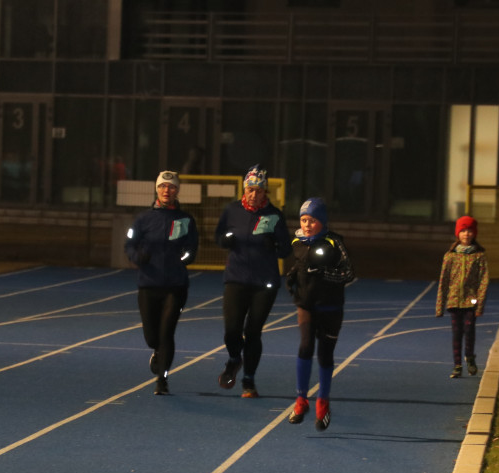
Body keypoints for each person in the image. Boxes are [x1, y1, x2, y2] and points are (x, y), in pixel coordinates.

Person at [215, 164, 292, 397]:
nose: (254, 194)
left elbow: (286, 249)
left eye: (259, 190)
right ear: (244, 189)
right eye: (250, 189)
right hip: (236, 278)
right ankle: (233, 358)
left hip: (264, 283)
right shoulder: (232, 210)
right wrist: (226, 241)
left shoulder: (274, 215)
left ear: (265, 192)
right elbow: (219, 237)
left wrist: (275, 245)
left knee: (253, 331)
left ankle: (249, 381)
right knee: (231, 330)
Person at [124, 170, 199, 395]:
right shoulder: (143, 219)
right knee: (152, 336)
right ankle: (156, 351)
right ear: (157, 189)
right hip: (148, 284)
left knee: (167, 332)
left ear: (177, 191)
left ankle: (162, 379)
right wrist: (138, 258)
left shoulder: (186, 220)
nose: (167, 191)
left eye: (172, 187)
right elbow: (129, 244)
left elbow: (192, 249)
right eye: (163, 187)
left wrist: (183, 258)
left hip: (175, 286)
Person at [285, 197, 355, 431]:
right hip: (306, 306)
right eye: (304, 220)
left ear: (322, 222)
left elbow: (348, 274)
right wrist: (293, 274)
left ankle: (323, 401)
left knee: (325, 356)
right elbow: (302, 262)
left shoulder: (335, 243)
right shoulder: (297, 241)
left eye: (312, 220)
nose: (306, 224)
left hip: (331, 308)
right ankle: (301, 399)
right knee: (305, 347)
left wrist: (324, 273)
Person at [435, 215, 489, 378]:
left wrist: (479, 305)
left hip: (470, 301)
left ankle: (470, 357)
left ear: (474, 234)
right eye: (463, 231)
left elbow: (483, 281)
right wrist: (440, 305)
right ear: (458, 233)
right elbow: (443, 281)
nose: (466, 234)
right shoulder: (450, 256)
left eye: (470, 231)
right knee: (456, 333)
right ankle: (457, 365)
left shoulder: (479, 256)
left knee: (469, 330)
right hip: (453, 300)